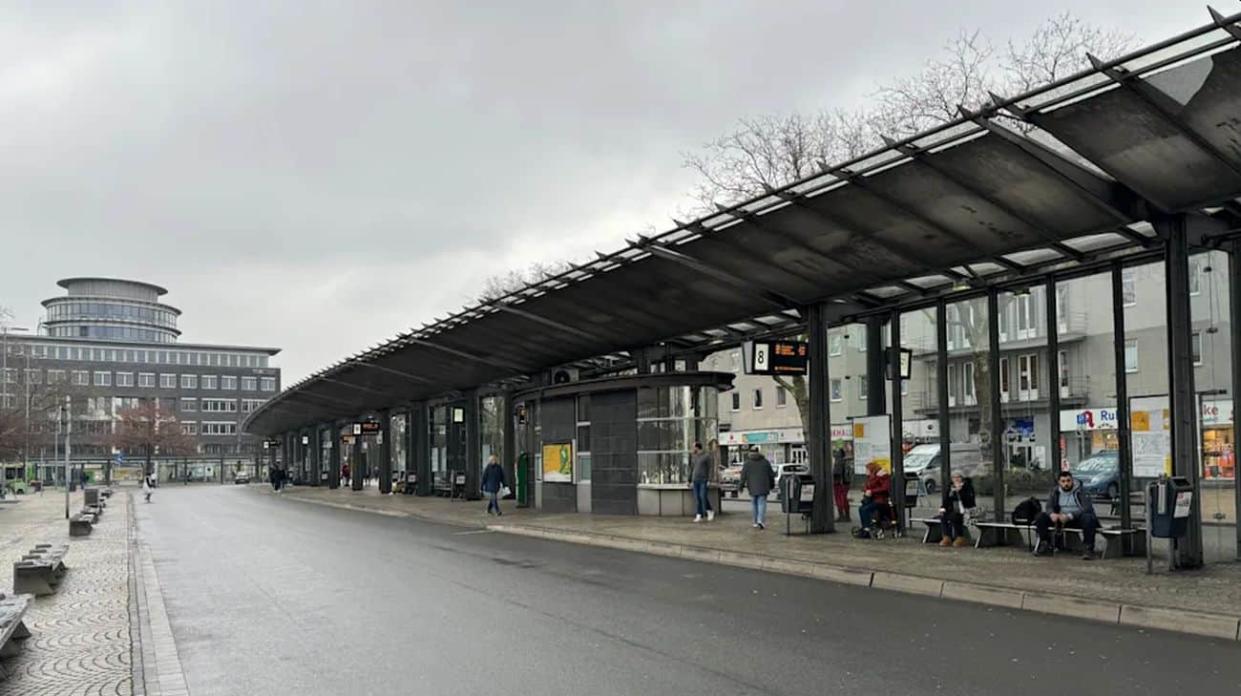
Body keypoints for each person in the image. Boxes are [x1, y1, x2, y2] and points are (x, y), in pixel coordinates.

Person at [1034, 470, 1099, 560]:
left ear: (1072, 480)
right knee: (1041, 517)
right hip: (1060, 519)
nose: (1066, 484)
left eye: (1068, 481)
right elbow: (1049, 506)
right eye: (1063, 481)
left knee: (1088, 518)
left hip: (1076, 519)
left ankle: (1088, 548)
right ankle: (1045, 543)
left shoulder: (1081, 491)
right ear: (1059, 482)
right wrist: (1052, 514)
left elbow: (1087, 508)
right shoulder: (1055, 492)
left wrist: (1070, 515)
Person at [738, 446, 775, 529]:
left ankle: (755, 522)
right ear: (759, 452)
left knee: (754, 504)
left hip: (752, 487)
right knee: (761, 503)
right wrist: (772, 485)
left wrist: (740, 486)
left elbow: (743, 476)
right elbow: (771, 475)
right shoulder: (765, 462)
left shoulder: (747, 463)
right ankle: (760, 521)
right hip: (763, 487)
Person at [937, 471, 976, 547]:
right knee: (943, 516)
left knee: (955, 517)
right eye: (954, 477)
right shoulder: (951, 488)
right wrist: (943, 508)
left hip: (966, 510)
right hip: (954, 509)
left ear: (962, 478)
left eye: (958, 477)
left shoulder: (967, 487)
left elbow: (969, 501)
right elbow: (946, 500)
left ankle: (960, 537)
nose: (956, 479)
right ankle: (946, 537)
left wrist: (960, 491)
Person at [857, 461, 891, 535]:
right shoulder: (871, 478)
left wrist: (871, 491)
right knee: (862, 509)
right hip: (873, 499)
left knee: (865, 509)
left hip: (880, 500)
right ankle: (865, 527)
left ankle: (866, 529)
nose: (865, 471)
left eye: (867, 470)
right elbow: (868, 486)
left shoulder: (881, 476)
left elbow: (885, 488)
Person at [690, 441, 715, 523]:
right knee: (697, 498)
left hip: (703, 479)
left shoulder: (706, 456)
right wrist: (689, 479)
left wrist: (709, 479)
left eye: (693, 447)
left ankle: (709, 510)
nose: (692, 449)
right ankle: (699, 514)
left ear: (697, 447)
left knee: (703, 496)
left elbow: (710, 468)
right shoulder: (694, 457)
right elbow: (692, 468)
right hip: (695, 479)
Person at [832, 446, 853, 522]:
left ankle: (841, 515)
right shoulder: (846, 462)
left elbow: (836, 473)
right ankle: (847, 516)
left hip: (839, 483)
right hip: (846, 483)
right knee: (844, 499)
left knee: (839, 499)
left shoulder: (838, 462)